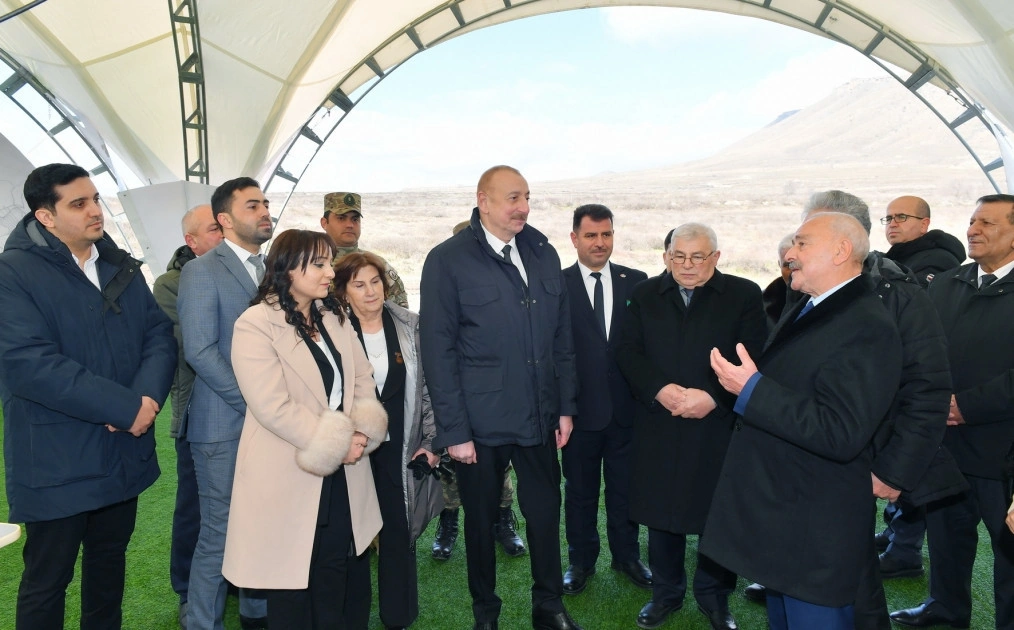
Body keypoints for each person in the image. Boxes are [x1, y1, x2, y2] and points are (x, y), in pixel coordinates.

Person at [705, 212, 903, 630]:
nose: (789, 254)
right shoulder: (816, 306)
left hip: (814, 528)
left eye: (801, 243)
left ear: (841, 251)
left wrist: (752, 389)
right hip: (787, 515)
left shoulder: (866, 324)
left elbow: (841, 432)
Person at [0, 163, 176, 628]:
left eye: (95, 199)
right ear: (46, 217)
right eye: (78, 204)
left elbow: (158, 334)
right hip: (56, 458)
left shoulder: (117, 263)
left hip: (120, 451)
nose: (95, 210)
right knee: (47, 580)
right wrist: (125, 407)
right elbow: (28, 364)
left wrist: (145, 400)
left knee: (108, 566)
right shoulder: (12, 273)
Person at [420, 165, 582, 630]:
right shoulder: (447, 260)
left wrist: (565, 406)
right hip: (479, 424)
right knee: (479, 522)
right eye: (513, 198)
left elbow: (562, 338)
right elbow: (438, 351)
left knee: (545, 514)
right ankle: (485, 614)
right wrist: (454, 431)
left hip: (539, 416)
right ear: (483, 200)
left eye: (527, 197)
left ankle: (548, 606)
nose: (523, 207)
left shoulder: (543, 251)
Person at [222, 229, 387, 629]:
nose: (330, 272)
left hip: (345, 473)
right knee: (293, 590)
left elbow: (362, 378)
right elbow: (272, 406)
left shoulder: (333, 315)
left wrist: (361, 432)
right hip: (289, 471)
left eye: (329, 262)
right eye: (319, 264)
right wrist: (339, 443)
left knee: (341, 577)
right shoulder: (255, 324)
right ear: (288, 269)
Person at [616, 222, 767, 630]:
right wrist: (659, 389)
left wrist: (715, 398)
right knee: (662, 512)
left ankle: (715, 597)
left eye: (698, 257)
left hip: (718, 425)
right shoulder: (645, 294)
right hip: (659, 421)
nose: (687, 265)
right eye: (678, 256)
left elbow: (756, 354)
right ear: (666, 256)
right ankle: (666, 593)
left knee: (716, 514)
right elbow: (627, 352)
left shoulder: (744, 294)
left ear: (716, 257)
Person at [891, 194, 1014, 629]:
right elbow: (920, 348)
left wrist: (969, 405)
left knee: (1009, 548)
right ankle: (944, 608)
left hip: (1002, 450)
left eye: (988, 223)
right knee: (946, 534)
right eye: (972, 221)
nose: (973, 230)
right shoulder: (947, 283)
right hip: (944, 443)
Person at [177, 177, 272, 630]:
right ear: (225, 219)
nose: (265, 210)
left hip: (269, 424)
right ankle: (202, 623)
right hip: (224, 424)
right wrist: (258, 405)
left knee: (261, 528)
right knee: (220, 534)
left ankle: (257, 615)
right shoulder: (202, 271)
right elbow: (199, 351)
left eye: (265, 202)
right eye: (252, 205)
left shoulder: (271, 269)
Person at [334, 250, 443, 629]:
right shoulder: (333, 330)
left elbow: (429, 389)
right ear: (343, 292)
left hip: (401, 448)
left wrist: (432, 441)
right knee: (354, 535)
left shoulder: (410, 326)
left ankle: (398, 615)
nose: (370, 292)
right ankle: (353, 617)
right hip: (353, 452)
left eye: (375, 282)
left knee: (398, 531)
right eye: (359, 285)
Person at [561, 204, 650, 596]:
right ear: (575, 238)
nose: (600, 243)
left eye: (606, 234)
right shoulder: (556, 284)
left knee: (625, 490)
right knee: (579, 493)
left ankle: (627, 557)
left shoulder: (637, 282)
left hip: (627, 411)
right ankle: (581, 562)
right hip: (579, 414)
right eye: (591, 235)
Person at [433, 219, 526, 562]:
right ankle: (448, 522)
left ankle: (504, 520)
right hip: (456, 394)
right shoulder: (444, 282)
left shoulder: (498, 285)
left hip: (493, 398)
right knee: (451, 466)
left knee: (501, 466)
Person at [152, 203, 223, 629]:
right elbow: (191, 347)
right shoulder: (170, 286)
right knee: (195, 509)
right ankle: (187, 589)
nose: (222, 234)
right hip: (197, 414)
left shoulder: (255, 273)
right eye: (213, 229)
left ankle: (241, 583)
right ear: (191, 242)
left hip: (254, 414)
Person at [321, 191, 408, 308]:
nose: (349, 225)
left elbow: (400, 311)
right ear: (324, 223)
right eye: (341, 218)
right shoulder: (313, 265)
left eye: (355, 219)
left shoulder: (378, 265)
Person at [882, 195, 965, 286]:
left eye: (901, 217)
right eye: (888, 219)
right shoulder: (898, 258)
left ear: (923, 225)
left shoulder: (937, 261)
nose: (892, 224)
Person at [760, 233, 794, 330]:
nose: (794, 272)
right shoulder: (761, 306)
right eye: (788, 265)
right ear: (779, 265)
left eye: (799, 264)